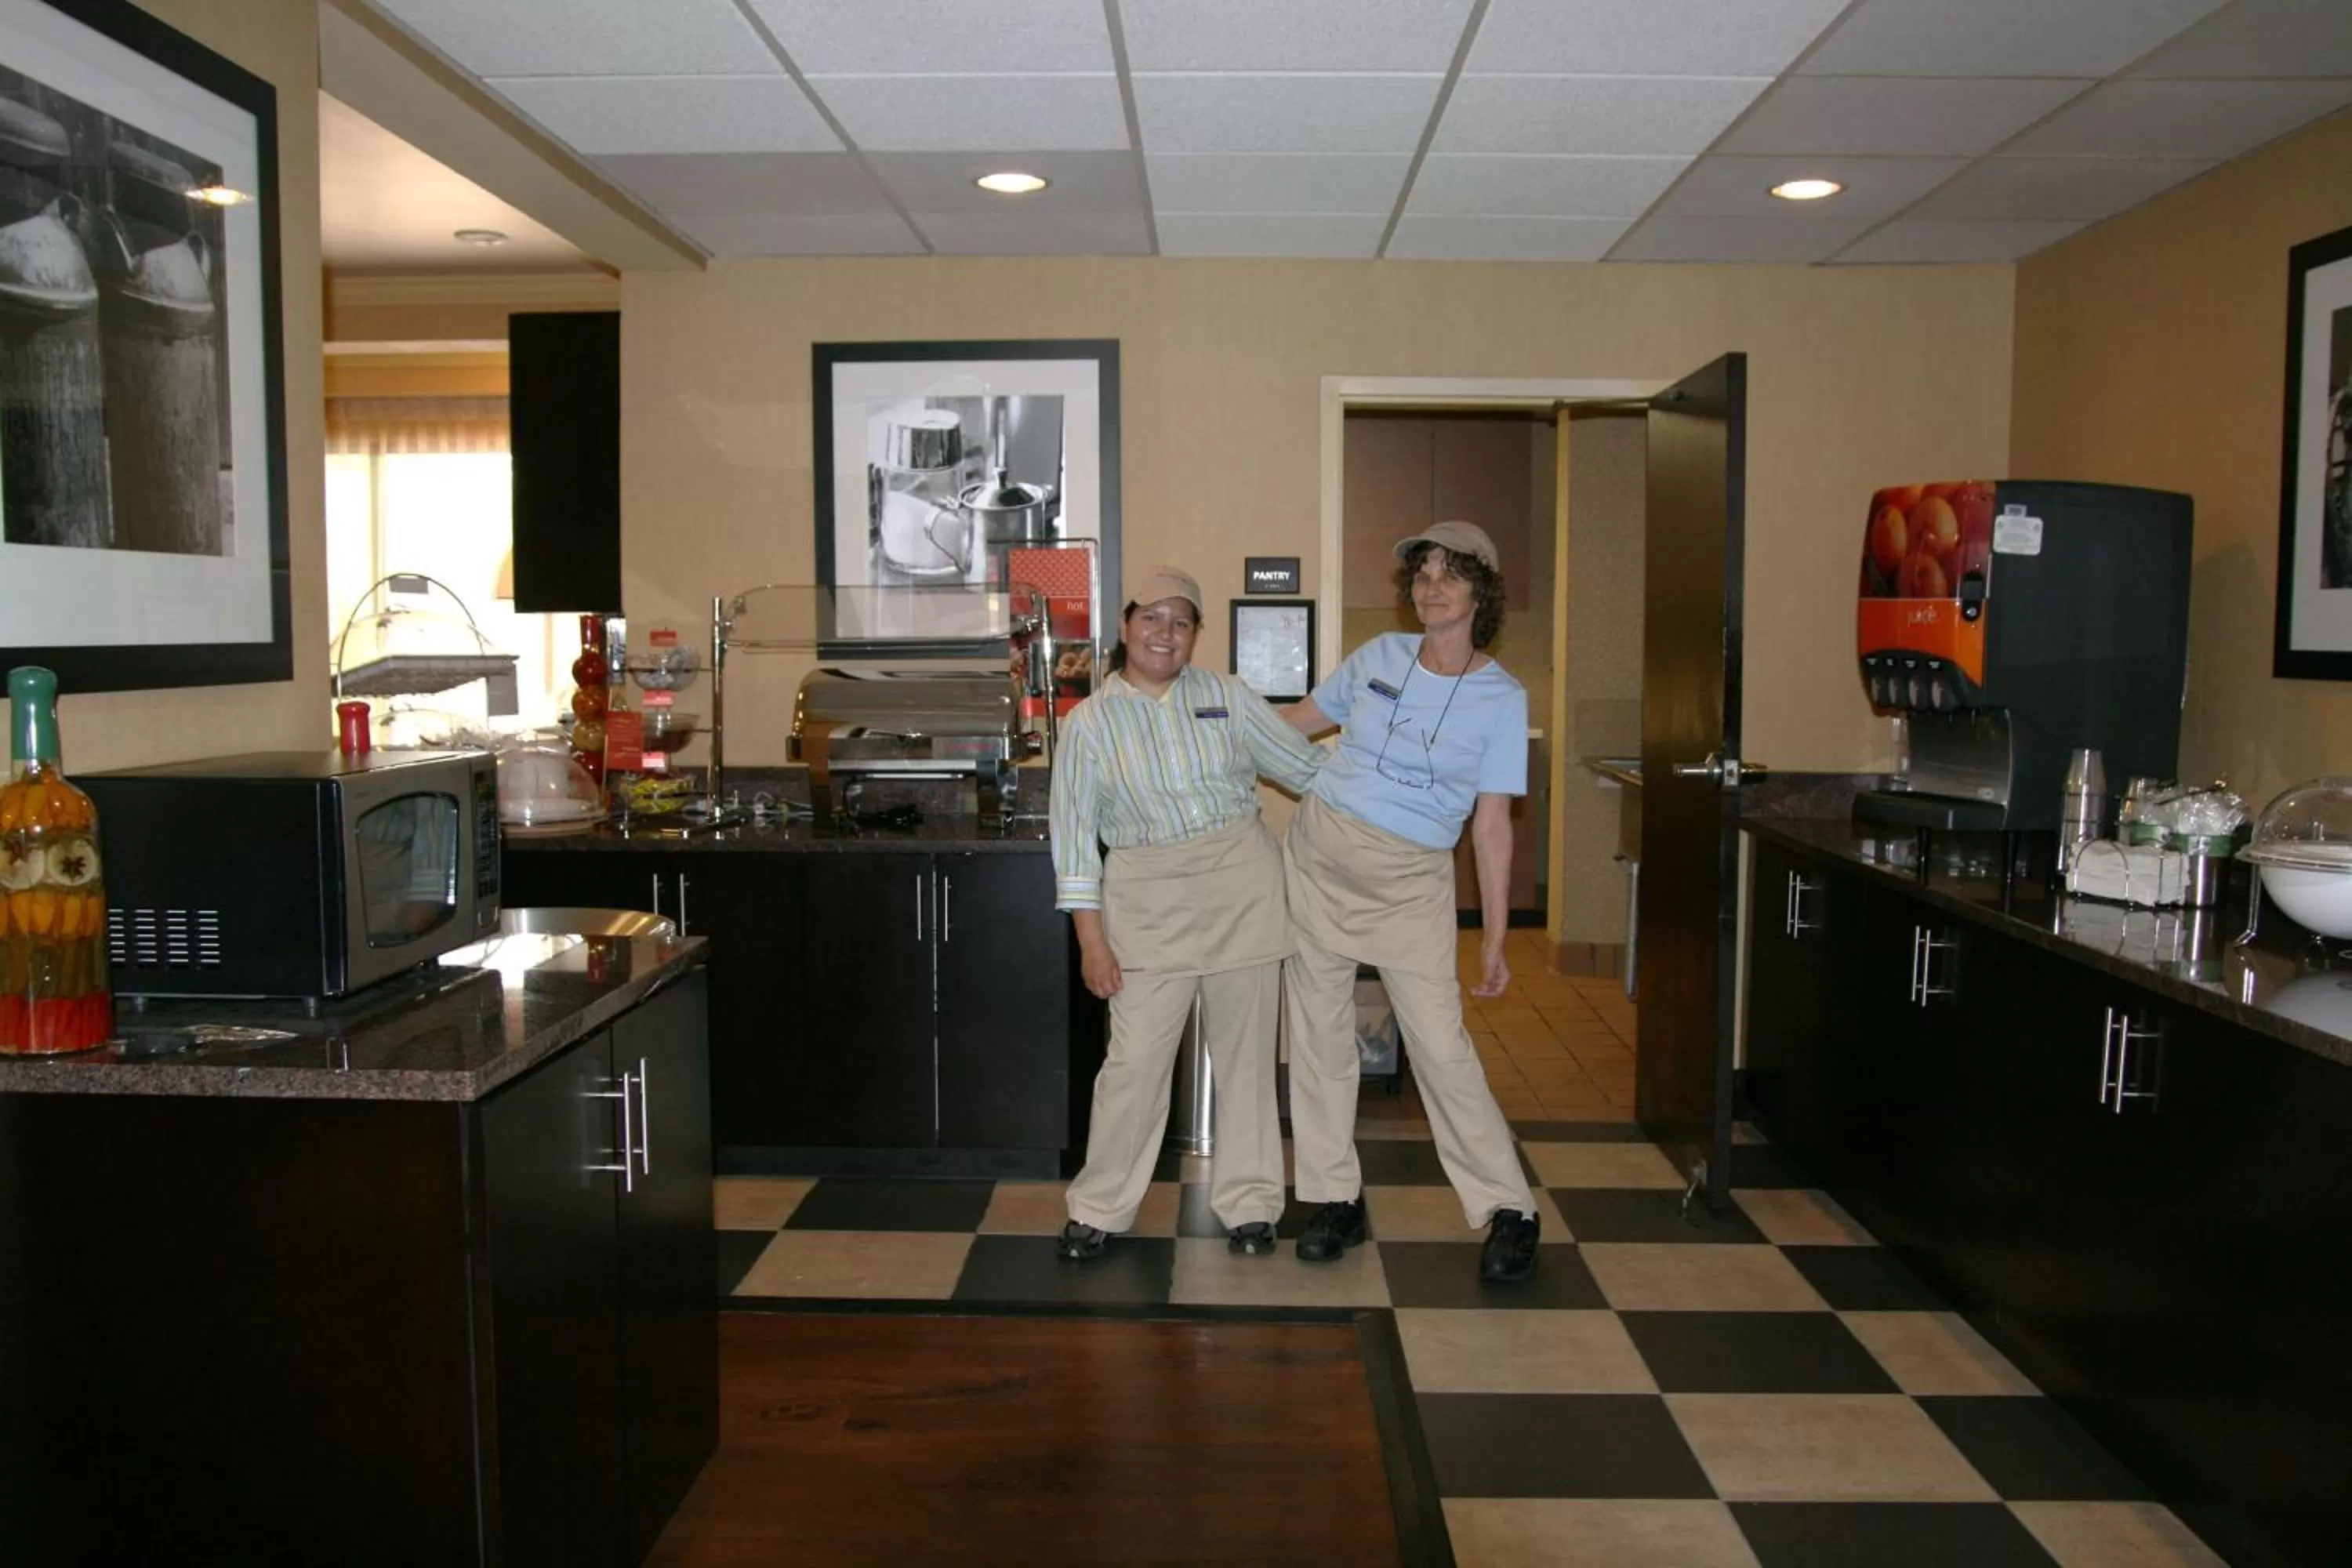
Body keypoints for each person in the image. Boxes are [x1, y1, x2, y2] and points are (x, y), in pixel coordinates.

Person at [1279, 520, 1543, 1283]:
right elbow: (1297, 724)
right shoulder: (1379, 657)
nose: (1432, 587)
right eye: (1422, 574)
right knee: (1320, 1039)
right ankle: (1333, 1196)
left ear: (1480, 592)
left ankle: (1509, 1207)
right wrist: (1211, 737)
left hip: (1410, 882)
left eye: (1450, 574)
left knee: (1440, 1046)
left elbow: (1492, 826)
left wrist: (1494, 937)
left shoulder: (1501, 698)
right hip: (1320, 857)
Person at [1050, 567, 1326, 1261]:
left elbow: (1307, 771)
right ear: (1125, 625)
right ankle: (1100, 1206)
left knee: (1248, 1060)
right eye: (1151, 617)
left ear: (1196, 633)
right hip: (1146, 896)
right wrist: (1091, 942)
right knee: (1134, 1064)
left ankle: (1252, 1205)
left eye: (1181, 621)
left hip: (1241, 885)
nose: (1164, 633)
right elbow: (1074, 842)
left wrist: (1399, 786)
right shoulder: (1089, 723)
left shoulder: (1228, 697)